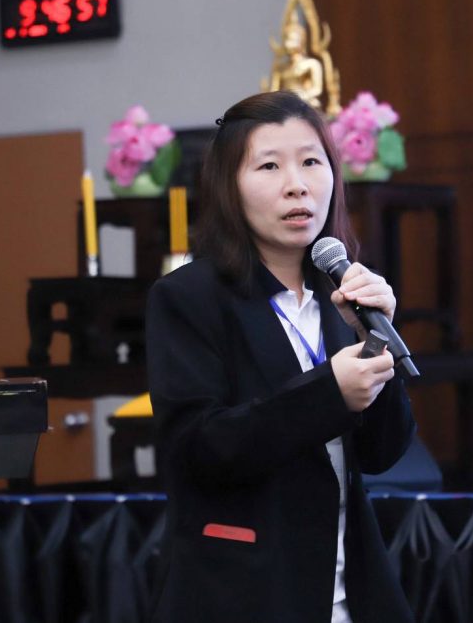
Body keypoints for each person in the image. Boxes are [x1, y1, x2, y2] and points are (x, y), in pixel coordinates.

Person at [146, 90, 416, 623]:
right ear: (229, 186)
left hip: (349, 591)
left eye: (312, 162)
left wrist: (376, 337)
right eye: (269, 166)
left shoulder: (342, 290)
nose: (298, 184)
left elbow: (384, 453)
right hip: (245, 592)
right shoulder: (188, 297)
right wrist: (330, 394)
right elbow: (199, 448)